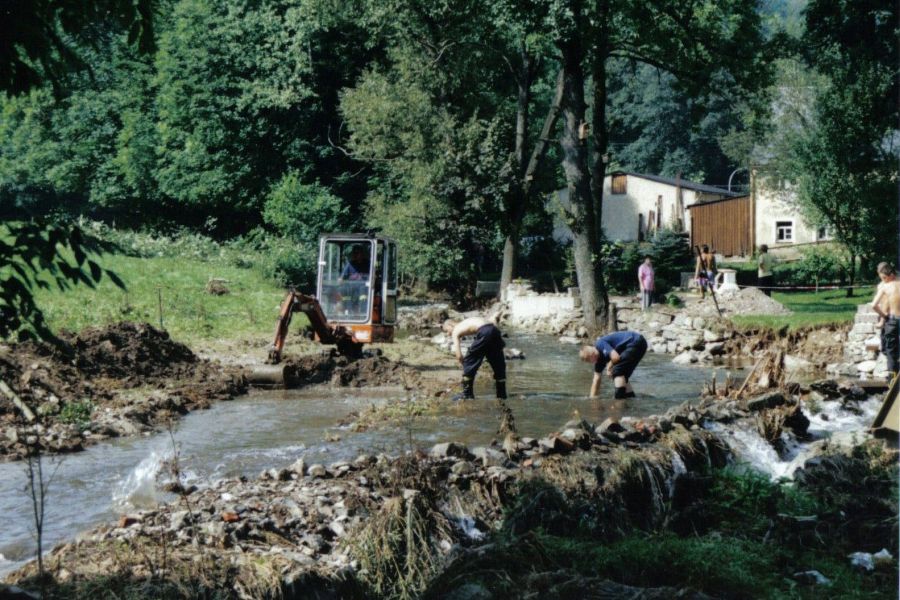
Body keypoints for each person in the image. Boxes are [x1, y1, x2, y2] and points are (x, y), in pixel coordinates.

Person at [442, 317, 507, 400]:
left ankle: (467, 394)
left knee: (469, 360)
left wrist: (466, 365)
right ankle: (501, 394)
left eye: (446, 330)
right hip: (494, 330)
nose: (448, 334)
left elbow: (459, 355)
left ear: (450, 324)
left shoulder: (456, 330)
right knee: (497, 361)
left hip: (485, 331)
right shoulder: (466, 321)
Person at [579, 330, 647, 399]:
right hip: (639, 344)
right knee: (623, 375)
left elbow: (615, 357)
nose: (593, 356)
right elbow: (596, 379)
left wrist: (609, 366)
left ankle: (619, 401)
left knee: (616, 371)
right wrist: (592, 398)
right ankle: (631, 398)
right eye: (590, 358)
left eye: (592, 353)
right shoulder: (598, 360)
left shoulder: (599, 343)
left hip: (635, 341)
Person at [872, 262, 900, 378]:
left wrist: (883, 317)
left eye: (884, 278)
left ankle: (893, 380)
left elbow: (874, 305)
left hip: (892, 319)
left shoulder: (885, 287)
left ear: (890, 275)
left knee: (890, 350)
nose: (883, 280)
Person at [339, 246, 369, 314]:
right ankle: (347, 311)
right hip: (352, 288)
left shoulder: (367, 264)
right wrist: (340, 280)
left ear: (362, 254)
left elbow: (373, 276)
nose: (355, 255)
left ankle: (363, 313)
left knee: (363, 291)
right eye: (354, 253)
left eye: (357, 253)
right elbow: (342, 278)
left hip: (364, 287)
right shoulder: (350, 264)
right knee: (344, 289)